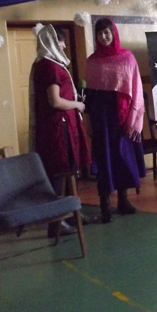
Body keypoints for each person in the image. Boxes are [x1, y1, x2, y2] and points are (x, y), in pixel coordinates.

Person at [29, 24, 93, 237]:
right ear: (52, 41)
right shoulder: (49, 66)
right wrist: (77, 105)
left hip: (60, 125)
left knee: (68, 171)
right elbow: (55, 101)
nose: (64, 46)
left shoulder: (46, 64)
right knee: (59, 171)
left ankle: (72, 213)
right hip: (58, 127)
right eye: (61, 41)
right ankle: (57, 222)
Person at [85, 18, 146, 223]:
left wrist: (131, 119)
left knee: (122, 158)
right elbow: (89, 95)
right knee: (103, 158)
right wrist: (88, 120)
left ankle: (123, 200)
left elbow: (135, 88)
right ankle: (105, 206)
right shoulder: (92, 61)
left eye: (107, 32)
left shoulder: (127, 58)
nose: (104, 37)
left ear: (114, 33)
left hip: (121, 115)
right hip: (100, 117)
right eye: (100, 33)